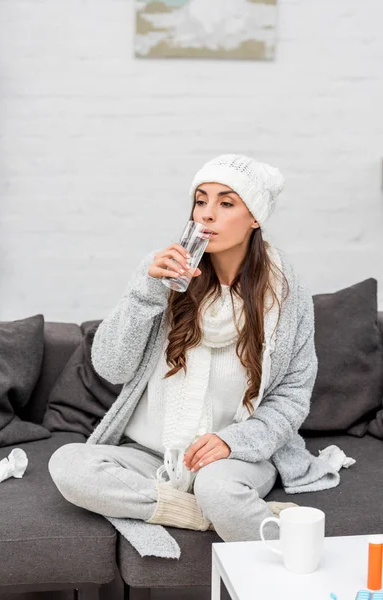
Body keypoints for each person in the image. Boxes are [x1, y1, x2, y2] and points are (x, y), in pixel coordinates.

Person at [49, 154, 322, 558]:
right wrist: (146, 292)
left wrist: (233, 442)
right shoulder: (161, 273)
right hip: (152, 456)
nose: (207, 215)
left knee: (218, 487)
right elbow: (110, 366)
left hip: (233, 457)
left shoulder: (285, 294)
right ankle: (203, 515)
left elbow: (293, 395)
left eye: (226, 203)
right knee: (68, 464)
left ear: (255, 218)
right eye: (200, 201)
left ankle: (276, 568)